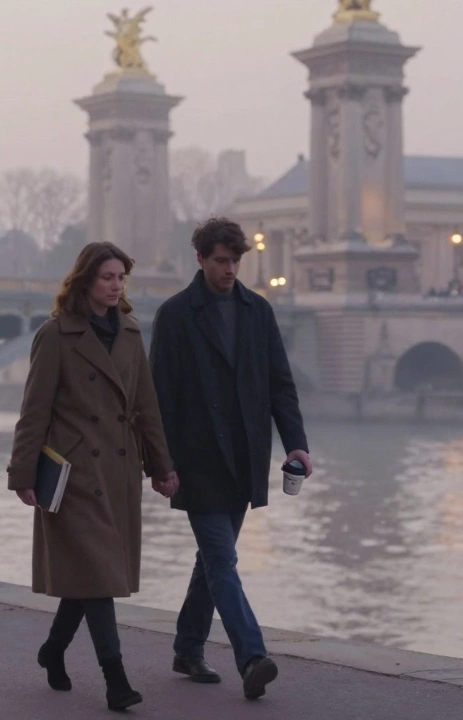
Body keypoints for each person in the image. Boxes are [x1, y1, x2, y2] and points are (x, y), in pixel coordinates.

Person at [7, 241, 180, 711]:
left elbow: (147, 408)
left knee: (90, 575)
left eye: (121, 277)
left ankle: (53, 650)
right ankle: (116, 680)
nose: (116, 285)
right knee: (100, 577)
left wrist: (162, 467)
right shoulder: (55, 335)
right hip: (74, 475)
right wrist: (22, 473)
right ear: (85, 280)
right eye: (108, 277)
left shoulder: (130, 333)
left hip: (119, 470)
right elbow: (34, 411)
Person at [149, 217, 312, 700]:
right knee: (222, 559)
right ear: (200, 259)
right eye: (221, 261)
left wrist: (296, 443)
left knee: (212, 560)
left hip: (244, 457)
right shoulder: (176, 314)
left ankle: (186, 647)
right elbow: (161, 396)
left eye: (235, 261)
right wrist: (160, 463)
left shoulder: (257, 311)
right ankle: (252, 657)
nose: (229, 269)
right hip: (196, 461)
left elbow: (280, 385)